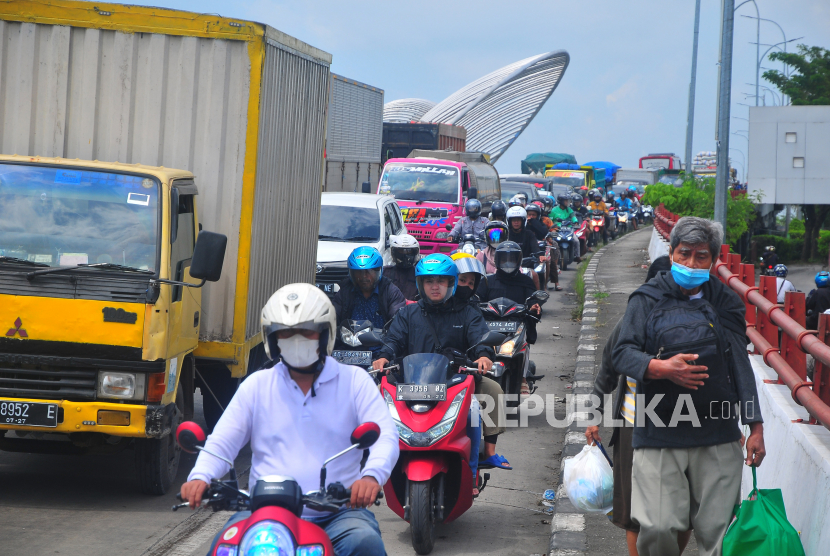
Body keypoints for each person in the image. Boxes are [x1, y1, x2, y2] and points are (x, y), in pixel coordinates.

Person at [180, 283, 400, 556]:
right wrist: (200, 476)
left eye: (305, 331)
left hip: (338, 515)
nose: (296, 339)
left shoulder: (355, 382)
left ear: (324, 334)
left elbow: (385, 437)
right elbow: (223, 440)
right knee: (223, 546)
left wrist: (371, 476)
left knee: (365, 542)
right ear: (273, 338)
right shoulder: (257, 385)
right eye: (286, 332)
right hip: (263, 512)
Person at [612, 217, 765, 556]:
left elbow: (740, 362)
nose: (692, 264)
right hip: (658, 432)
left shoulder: (726, 301)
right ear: (670, 253)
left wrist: (755, 426)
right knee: (658, 526)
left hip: (718, 434)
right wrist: (662, 368)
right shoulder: (646, 299)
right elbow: (622, 353)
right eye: (684, 254)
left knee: (719, 533)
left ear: (713, 260)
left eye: (701, 257)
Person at [371, 255, 512, 493]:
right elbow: (394, 339)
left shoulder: (468, 312)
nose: (434, 286)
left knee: (488, 395)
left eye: (441, 281)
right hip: (414, 382)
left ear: (452, 283)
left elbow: (480, 338)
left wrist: (484, 355)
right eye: (428, 281)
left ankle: (484, 457)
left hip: (457, 378)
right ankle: (375, 456)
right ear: (420, 284)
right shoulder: (408, 314)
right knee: (377, 395)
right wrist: (384, 355)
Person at [586, 256, 695, 556]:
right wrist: (593, 418)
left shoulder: (697, 325)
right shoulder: (629, 323)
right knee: (634, 511)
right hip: (633, 428)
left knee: (683, 510)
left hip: (685, 429)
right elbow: (607, 371)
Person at [477, 241, 542, 395]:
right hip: (490, 324)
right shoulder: (487, 280)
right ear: (498, 260)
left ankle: (524, 378)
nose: (508, 262)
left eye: (512, 258)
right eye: (504, 259)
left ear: (518, 260)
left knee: (524, 345)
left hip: (516, 323)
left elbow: (533, 300)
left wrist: (535, 306)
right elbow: (477, 298)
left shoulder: (525, 281)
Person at [332, 246, 406, 337]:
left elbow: (398, 323)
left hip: (381, 347)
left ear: (378, 271)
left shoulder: (391, 292)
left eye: (368, 272)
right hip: (347, 346)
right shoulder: (344, 292)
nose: (364, 276)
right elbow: (332, 319)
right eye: (359, 272)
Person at [505, 205, 541, 289]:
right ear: (509, 221)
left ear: (523, 221)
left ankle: (537, 296)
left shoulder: (529, 234)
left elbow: (535, 247)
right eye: (514, 220)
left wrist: (539, 255)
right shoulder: (506, 234)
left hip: (526, 265)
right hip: (507, 265)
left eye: (518, 220)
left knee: (535, 274)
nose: (516, 222)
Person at [384, 234, 420, 300]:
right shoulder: (386, 272)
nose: (405, 257)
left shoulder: (419, 274)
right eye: (401, 252)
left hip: (413, 309)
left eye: (409, 252)